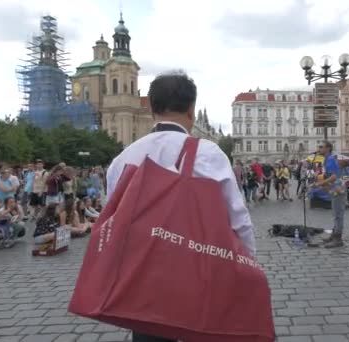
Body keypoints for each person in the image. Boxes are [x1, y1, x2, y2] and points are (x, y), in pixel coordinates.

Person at [105, 71, 256, 342]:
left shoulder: (122, 160)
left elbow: (113, 221)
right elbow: (238, 218)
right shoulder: (209, 154)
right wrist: (248, 264)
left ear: (151, 107)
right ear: (191, 109)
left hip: (144, 279)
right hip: (200, 272)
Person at [317, 141, 345, 248]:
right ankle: (334, 235)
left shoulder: (330, 159)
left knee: (338, 215)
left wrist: (321, 183)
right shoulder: (327, 159)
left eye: (321, 147)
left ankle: (338, 239)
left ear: (328, 148)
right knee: (336, 214)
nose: (319, 149)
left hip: (338, 189)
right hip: (335, 189)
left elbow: (334, 177)